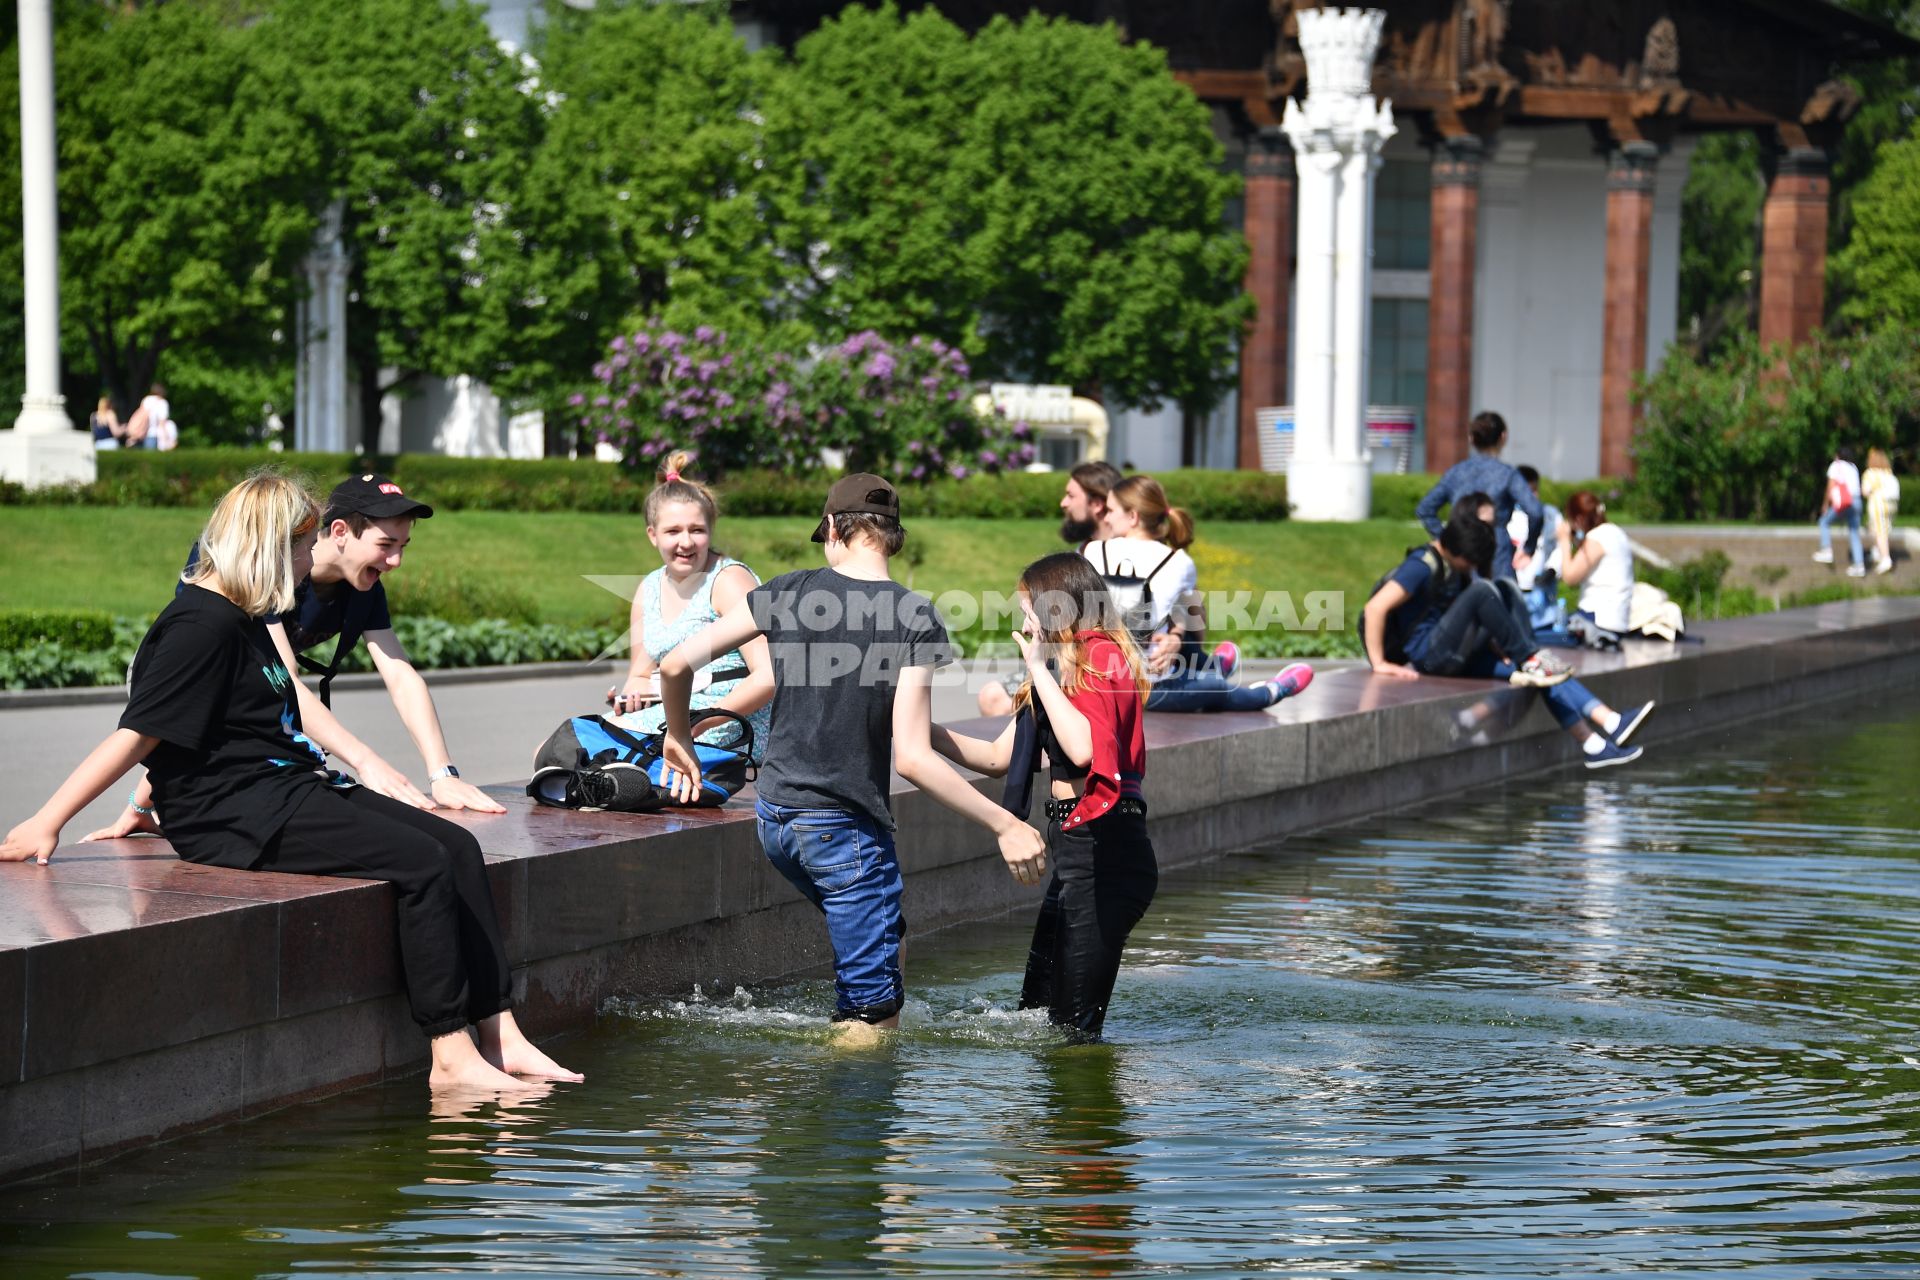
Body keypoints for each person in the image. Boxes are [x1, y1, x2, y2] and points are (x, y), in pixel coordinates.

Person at [0, 471, 578, 1092]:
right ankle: (450, 1056)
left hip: (281, 787)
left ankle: (501, 1036)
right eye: (303, 550)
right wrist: (47, 821)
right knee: (423, 864)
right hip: (234, 814)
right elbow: (141, 734)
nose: (310, 565)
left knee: (458, 847)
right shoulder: (201, 625)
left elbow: (228, 723)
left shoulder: (246, 616)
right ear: (270, 547)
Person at [652, 473, 1049, 1039]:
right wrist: (1005, 824)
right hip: (844, 831)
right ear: (894, 537)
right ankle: (839, 1115)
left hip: (776, 821)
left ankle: (869, 1101)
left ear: (834, 528)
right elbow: (910, 758)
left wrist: (680, 737)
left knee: (889, 944)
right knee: (870, 1018)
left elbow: (674, 666)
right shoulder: (912, 616)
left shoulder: (787, 590)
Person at [94, 472, 505, 841]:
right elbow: (280, 680)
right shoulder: (274, 562)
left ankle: (140, 810)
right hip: (178, 675)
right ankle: (135, 809)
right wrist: (365, 761)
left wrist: (442, 774)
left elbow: (399, 674)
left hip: (245, 691)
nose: (395, 561)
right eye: (385, 545)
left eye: (403, 546)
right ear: (340, 531)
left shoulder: (362, 589)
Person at [927, 553, 1156, 1040]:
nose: (1025, 622)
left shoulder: (1100, 655)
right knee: (1038, 1015)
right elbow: (995, 756)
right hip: (1078, 849)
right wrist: (912, 730)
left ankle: (1081, 1118)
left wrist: (1038, 668)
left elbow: (1083, 748)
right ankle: (1047, 1115)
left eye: (1030, 610)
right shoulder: (1061, 668)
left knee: (1073, 1030)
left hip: (1107, 852)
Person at [1361, 509, 1650, 767]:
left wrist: (1498, 648)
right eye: (1470, 560)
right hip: (1431, 656)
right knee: (1484, 591)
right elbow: (1375, 608)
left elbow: (1464, 619)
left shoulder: (1453, 566)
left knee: (1542, 672)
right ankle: (1530, 656)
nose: (1472, 566)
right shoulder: (1421, 565)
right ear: (1454, 549)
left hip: (1455, 651)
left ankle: (1599, 737)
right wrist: (1379, 663)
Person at [1088, 474, 1310, 712]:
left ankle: (1214, 668)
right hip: (1149, 688)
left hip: (1098, 681)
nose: (1105, 518)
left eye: (1110, 510)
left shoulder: (1092, 551)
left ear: (1133, 516)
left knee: (1182, 652)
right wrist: (1178, 636)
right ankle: (1269, 692)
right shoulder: (1179, 561)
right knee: (1214, 688)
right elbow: (1192, 615)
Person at [606, 452, 772, 759]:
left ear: (710, 530)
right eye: (673, 531)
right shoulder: (649, 589)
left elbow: (769, 675)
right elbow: (640, 676)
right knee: (562, 749)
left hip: (732, 724)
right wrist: (629, 699)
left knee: (588, 752)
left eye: (696, 530)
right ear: (652, 535)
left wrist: (694, 725)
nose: (686, 542)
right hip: (672, 719)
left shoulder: (728, 581)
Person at [977, 460, 1125, 717]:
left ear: (1097, 504)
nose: (1063, 503)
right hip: (1070, 657)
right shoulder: (1084, 551)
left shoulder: (1123, 556)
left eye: (1070, 495)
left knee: (996, 698)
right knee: (993, 694)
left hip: (1092, 664)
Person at [1414, 410, 1543, 581]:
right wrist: (1528, 549)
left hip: (1460, 554)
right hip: (1497, 554)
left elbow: (1425, 509)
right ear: (1503, 437)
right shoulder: (1507, 474)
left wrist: (1447, 540)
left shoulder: (1456, 472)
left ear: (1471, 439)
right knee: (1499, 602)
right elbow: (1535, 511)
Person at [1556, 491, 1635, 638]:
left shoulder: (1597, 538)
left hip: (1598, 620)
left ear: (1578, 518)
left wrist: (1564, 541)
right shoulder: (1615, 532)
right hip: (1618, 619)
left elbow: (1570, 577)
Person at [1814, 445, 1866, 578]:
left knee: (1824, 521)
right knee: (1854, 532)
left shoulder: (1835, 466)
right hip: (1857, 502)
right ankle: (1859, 565)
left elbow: (1831, 486)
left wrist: (1825, 504)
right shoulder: (1854, 467)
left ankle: (1826, 549)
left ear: (1838, 455)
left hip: (1845, 501)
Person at [1863, 448, 1900, 576]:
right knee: (1880, 530)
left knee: (1880, 532)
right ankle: (1877, 551)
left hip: (1878, 505)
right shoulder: (1888, 472)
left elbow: (1865, 491)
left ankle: (1885, 559)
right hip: (1892, 505)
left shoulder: (1870, 473)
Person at [125, 382, 170, 451]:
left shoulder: (147, 400)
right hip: (155, 434)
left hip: (142, 433)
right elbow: (162, 423)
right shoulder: (162, 403)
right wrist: (166, 439)